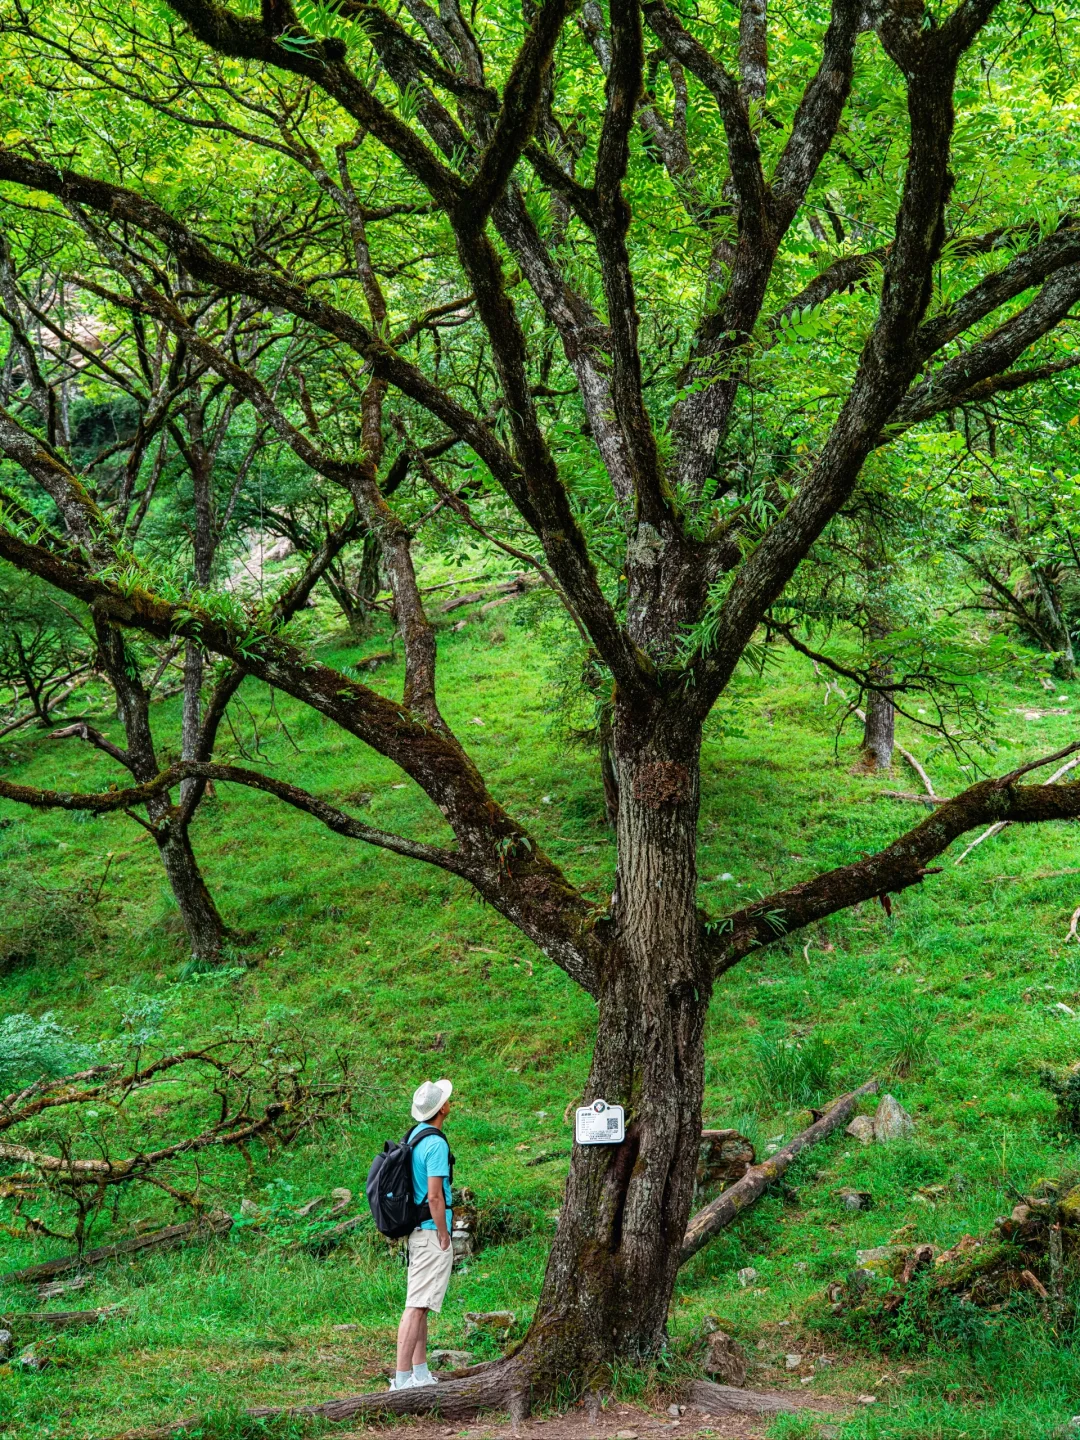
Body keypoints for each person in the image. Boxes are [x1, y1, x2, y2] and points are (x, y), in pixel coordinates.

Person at [392, 1077, 454, 1391]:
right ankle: (401, 1381)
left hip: (417, 1230)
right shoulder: (436, 1143)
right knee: (416, 1305)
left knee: (422, 1304)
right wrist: (444, 1234)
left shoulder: (416, 1135)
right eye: (447, 1099)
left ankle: (419, 1373)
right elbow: (434, 1196)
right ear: (442, 1107)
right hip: (430, 1231)